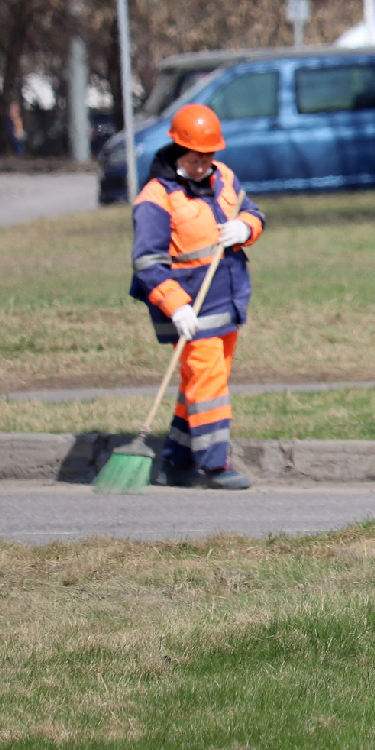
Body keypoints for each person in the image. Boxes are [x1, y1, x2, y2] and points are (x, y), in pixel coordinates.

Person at [129, 105, 265, 489]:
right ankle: (214, 464)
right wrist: (177, 307)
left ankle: (176, 459)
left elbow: (254, 213)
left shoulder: (225, 178)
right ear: (178, 148)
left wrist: (244, 228)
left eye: (209, 155)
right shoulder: (156, 197)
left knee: (203, 379)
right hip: (189, 306)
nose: (203, 164)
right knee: (208, 382)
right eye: (195, 157)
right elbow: (148, 263)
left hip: (228, 297)